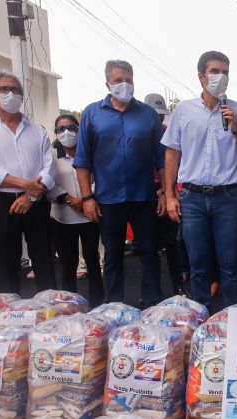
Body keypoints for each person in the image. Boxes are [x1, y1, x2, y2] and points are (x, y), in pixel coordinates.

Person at [162, 51, 237, 310]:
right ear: (202, 77)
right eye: (216, 71)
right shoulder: (183, 110)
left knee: (230, 264)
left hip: (229, 198)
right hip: (191, 198)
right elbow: (172, 154)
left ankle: (234, 321)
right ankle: (202, 324)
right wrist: (170, 195)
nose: (222, 77)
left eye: (226, 72)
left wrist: (236, 127)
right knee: (198, 264)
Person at [73, 60, 165, 306]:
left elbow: (162, 158)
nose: (124, 85)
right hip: (107, 199)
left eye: (128, 80)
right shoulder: (92, 113)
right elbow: (82, 161)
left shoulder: (147, 114)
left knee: (149, 252)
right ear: (107, 84)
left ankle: (153, 305)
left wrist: (166, 193)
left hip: (144, 196)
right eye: (118, 81)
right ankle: (114, 306)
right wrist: (87, 198)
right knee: (112, 256)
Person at [0, 70, 56, 295]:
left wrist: (31, 195)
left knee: (44, 256)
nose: (11, 94)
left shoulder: (38, 131)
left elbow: (49, 167)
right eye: (4, 89)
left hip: (36, 201)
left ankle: (50, 308)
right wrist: (26, 184)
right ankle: (11, 313)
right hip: (0, 201)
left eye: (15, 89)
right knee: (6, 261)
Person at [46, 114, 104, 307]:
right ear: (55, 133)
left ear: (79, 129)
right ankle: (70, 305)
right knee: (67, 264)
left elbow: (100, 178)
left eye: (71, 127)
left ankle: (97, 303)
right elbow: (47, 182)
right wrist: (69, 199)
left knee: (93, 261)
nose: (66, 132)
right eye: (60, 129)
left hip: (89, 214)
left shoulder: (90, 152)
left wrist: (86, 198)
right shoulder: (51, 156)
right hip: (63, 216)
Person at [145, 92, 186, 297]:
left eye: (161, 115)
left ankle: (178, 286)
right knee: (148, 246)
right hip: (143, 195)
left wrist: (165, 192)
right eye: (154, 115)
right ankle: (152, 292)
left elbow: (175, 165)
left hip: (167, 191)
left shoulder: (169, 133)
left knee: (172, 242)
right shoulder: (139, 133)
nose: (158, 119)